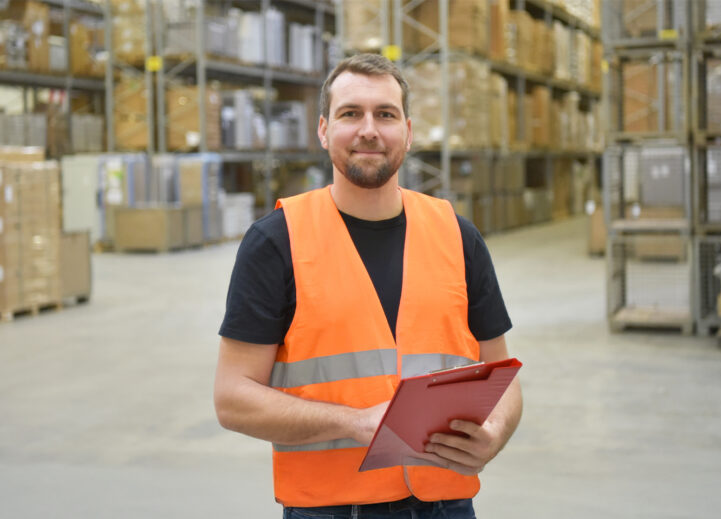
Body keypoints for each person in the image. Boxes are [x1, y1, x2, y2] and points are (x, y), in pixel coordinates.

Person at [214, 53, 522, 519]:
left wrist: (495, 433)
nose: (369, 130)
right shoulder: (277, 241)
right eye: (350, 113)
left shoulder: (457, 236)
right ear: (323, 130)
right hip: (333, 509)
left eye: (385, 114)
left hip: (447, 503)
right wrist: (356, 423)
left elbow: (503, 376)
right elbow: (232, 398)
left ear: (409, 131)